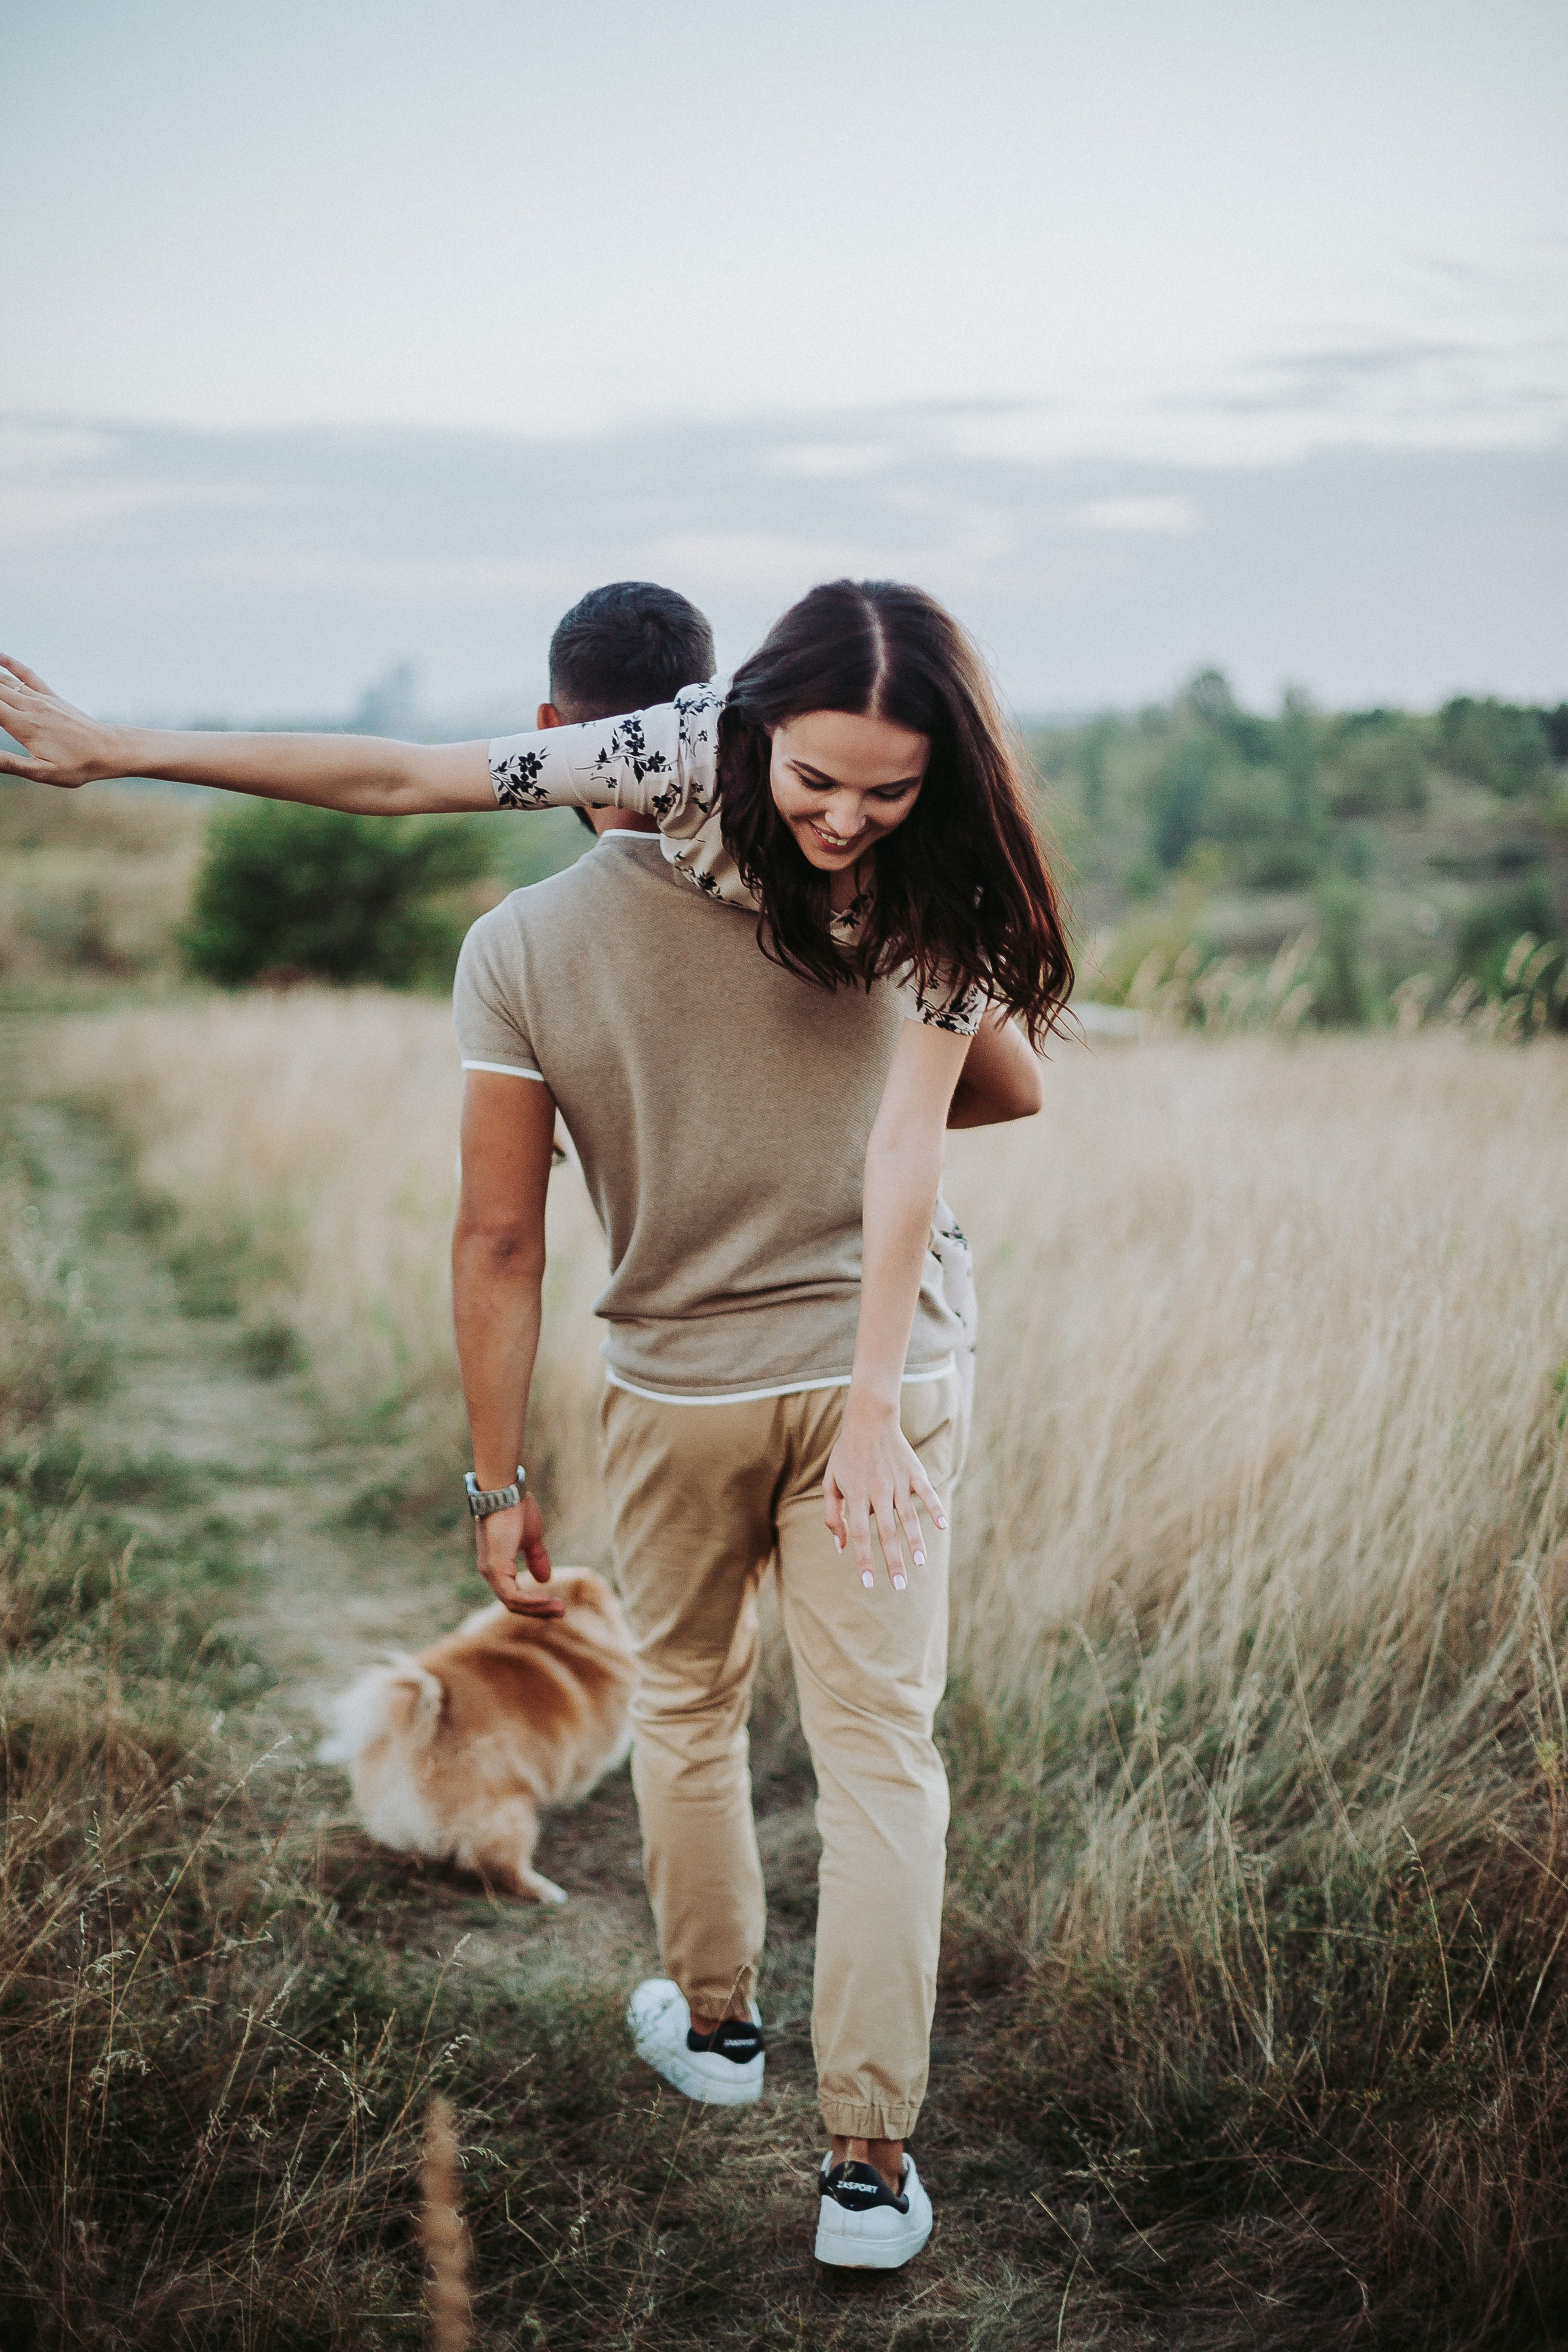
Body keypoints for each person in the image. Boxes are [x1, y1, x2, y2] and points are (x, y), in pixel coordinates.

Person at [0, 578, 1065, 2267]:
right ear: (728, 722)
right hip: (873, 1373)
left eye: (889, 791)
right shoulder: (677, 756)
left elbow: (531, 1230)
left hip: (729, 1385)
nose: (846, 821)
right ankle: (839, 2135)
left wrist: (500, 1477)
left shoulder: (878, 881)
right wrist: (116, 748)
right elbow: (396, 776)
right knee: (872, 1751)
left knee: (710, 1712)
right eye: (814, 782)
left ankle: (758, 2063)